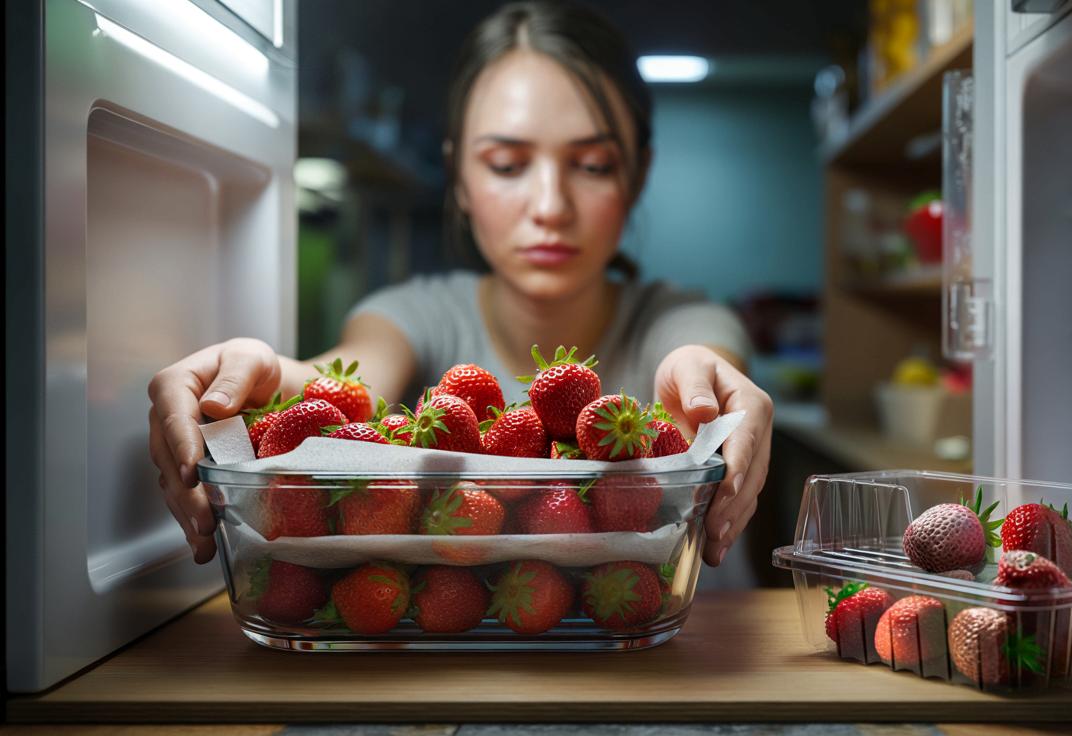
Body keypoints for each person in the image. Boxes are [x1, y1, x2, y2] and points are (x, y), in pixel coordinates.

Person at [146, 0, 773, 578]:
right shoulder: (410, 316)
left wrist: (712, 393)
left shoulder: (684, 319)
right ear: (461, 179)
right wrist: (263, 380)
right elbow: (347, 394)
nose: (550, 206)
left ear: (637, 176)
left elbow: (702, 363)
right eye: (506, 165)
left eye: (592, 165)